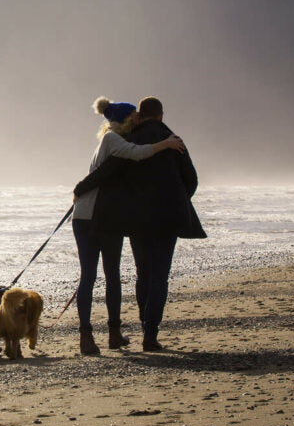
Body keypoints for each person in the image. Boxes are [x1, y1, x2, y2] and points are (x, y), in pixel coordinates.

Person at [74, 96, 204, 352]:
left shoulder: (125, 139)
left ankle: (117, 331)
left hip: (131, 218)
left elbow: (107, 172)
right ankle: (148, 333)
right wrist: (176, 200)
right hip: (151, 218)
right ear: (161, 115)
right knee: (155, 276)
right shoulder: (168, 140)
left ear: (143, 116)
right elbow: (191, 179)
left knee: (140, 274)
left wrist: (81, 187)